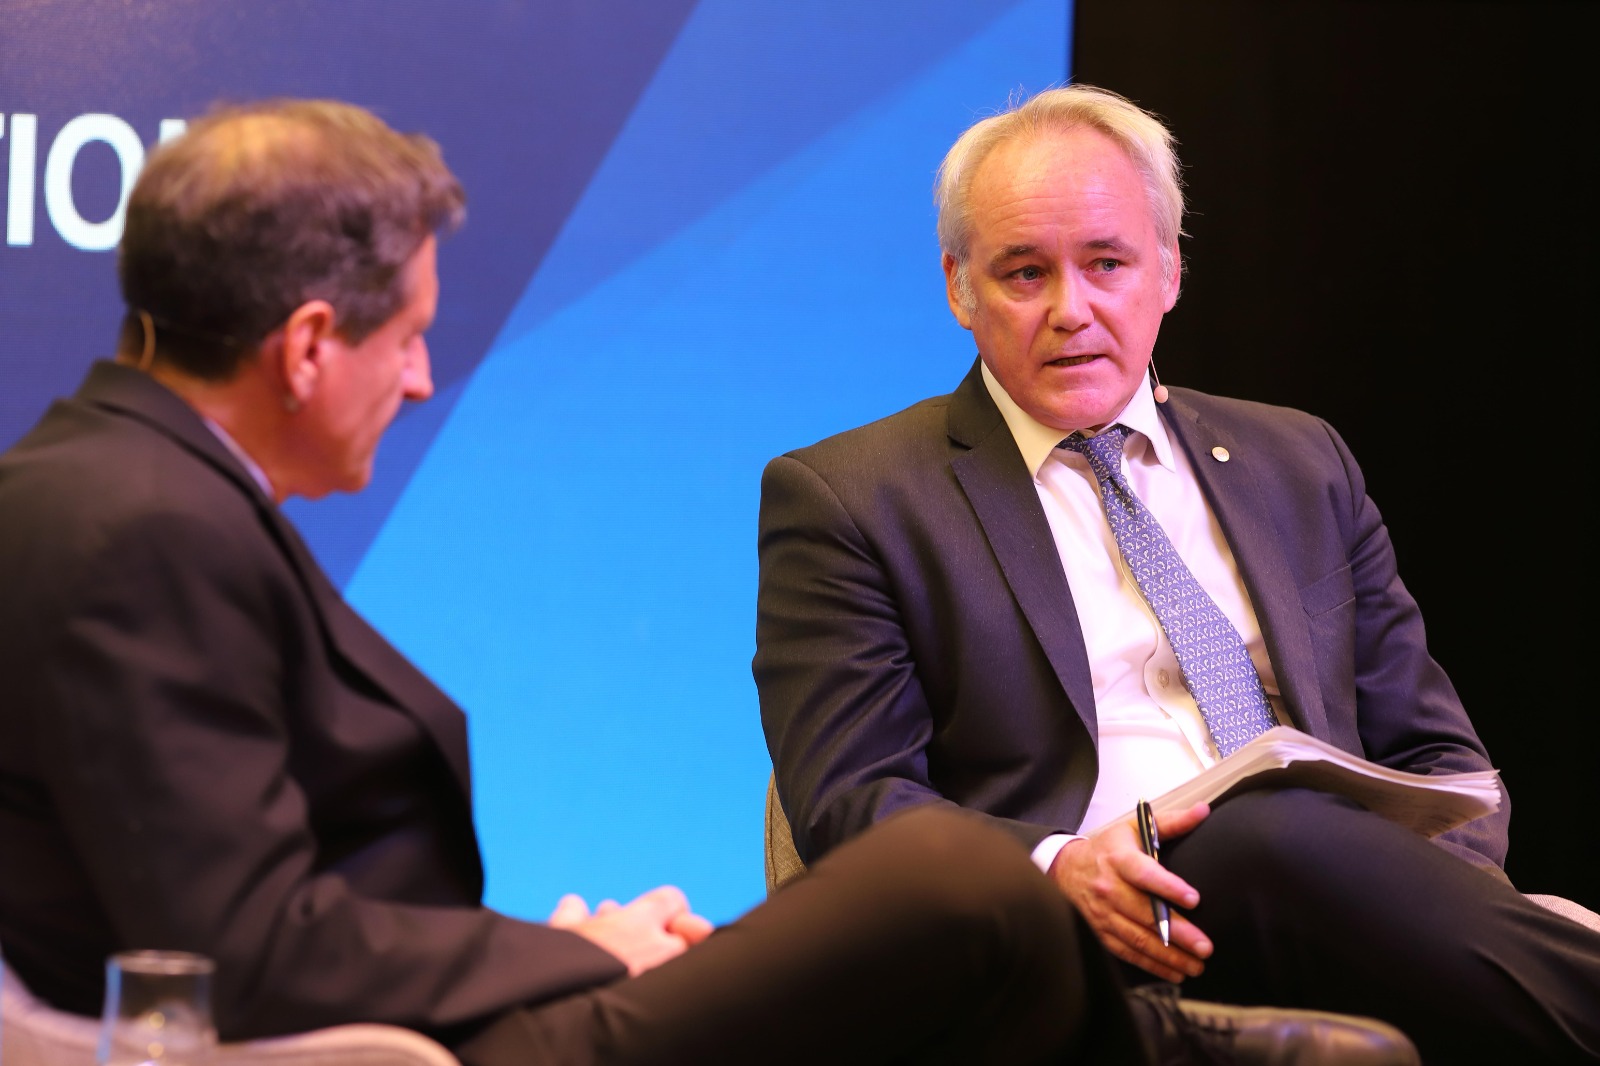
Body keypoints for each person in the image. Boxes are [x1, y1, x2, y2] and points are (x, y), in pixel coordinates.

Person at [0, 97, 1420, 1066]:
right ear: (310, 345)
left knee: (941, 892)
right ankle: (1164, 1048)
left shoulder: (128, 489)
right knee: (938, 874)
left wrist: (552, 942)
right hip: (428, 1045)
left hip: (442, 1009)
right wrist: (574, 957)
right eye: (410, 337)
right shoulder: (133, 523)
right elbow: (235, 948)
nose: (423, 378)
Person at [753, 83, 1600, 1064]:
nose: (1071, 310)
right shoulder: (852, 498)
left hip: (1345, 908)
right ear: (959, 288)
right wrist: (1060, 868)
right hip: (1082, 937)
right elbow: (852, 798)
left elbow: (1442, 762)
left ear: (1168, 269)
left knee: (1302, 835)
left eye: (1106, 264)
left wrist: (1423, 908)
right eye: (1024, 273)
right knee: (1268, 830)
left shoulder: (1300, 461)